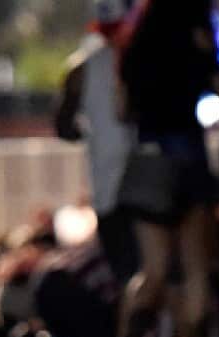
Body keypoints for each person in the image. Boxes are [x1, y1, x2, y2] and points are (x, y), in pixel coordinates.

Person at [113, 0, 219, 337]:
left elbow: (122, 110)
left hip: (150, 159)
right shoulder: (196, 42)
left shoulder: (136, 47)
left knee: (154, 268)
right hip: (189, 156)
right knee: (196, 267)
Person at [55, 0, 139, 292]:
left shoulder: (80, 67)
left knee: (126, 279)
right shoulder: (151, 59)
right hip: (152, 191)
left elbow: (64, 128)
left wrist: (96, 135)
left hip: (109, 193)